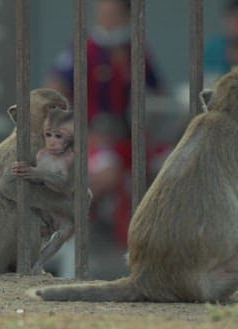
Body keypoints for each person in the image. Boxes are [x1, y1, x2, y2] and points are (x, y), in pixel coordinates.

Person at [45, 0, 164, 246]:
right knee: (108, 172)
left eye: (110, 13)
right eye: (101, 12)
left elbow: (158, 92)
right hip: (92, 138)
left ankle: (150, 232)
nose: (103, 19)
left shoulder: (135, 49)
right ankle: (55, 221)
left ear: (126, 17)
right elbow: (54, 88)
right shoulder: (84, 48)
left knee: (169, 161)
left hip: (130, 137)